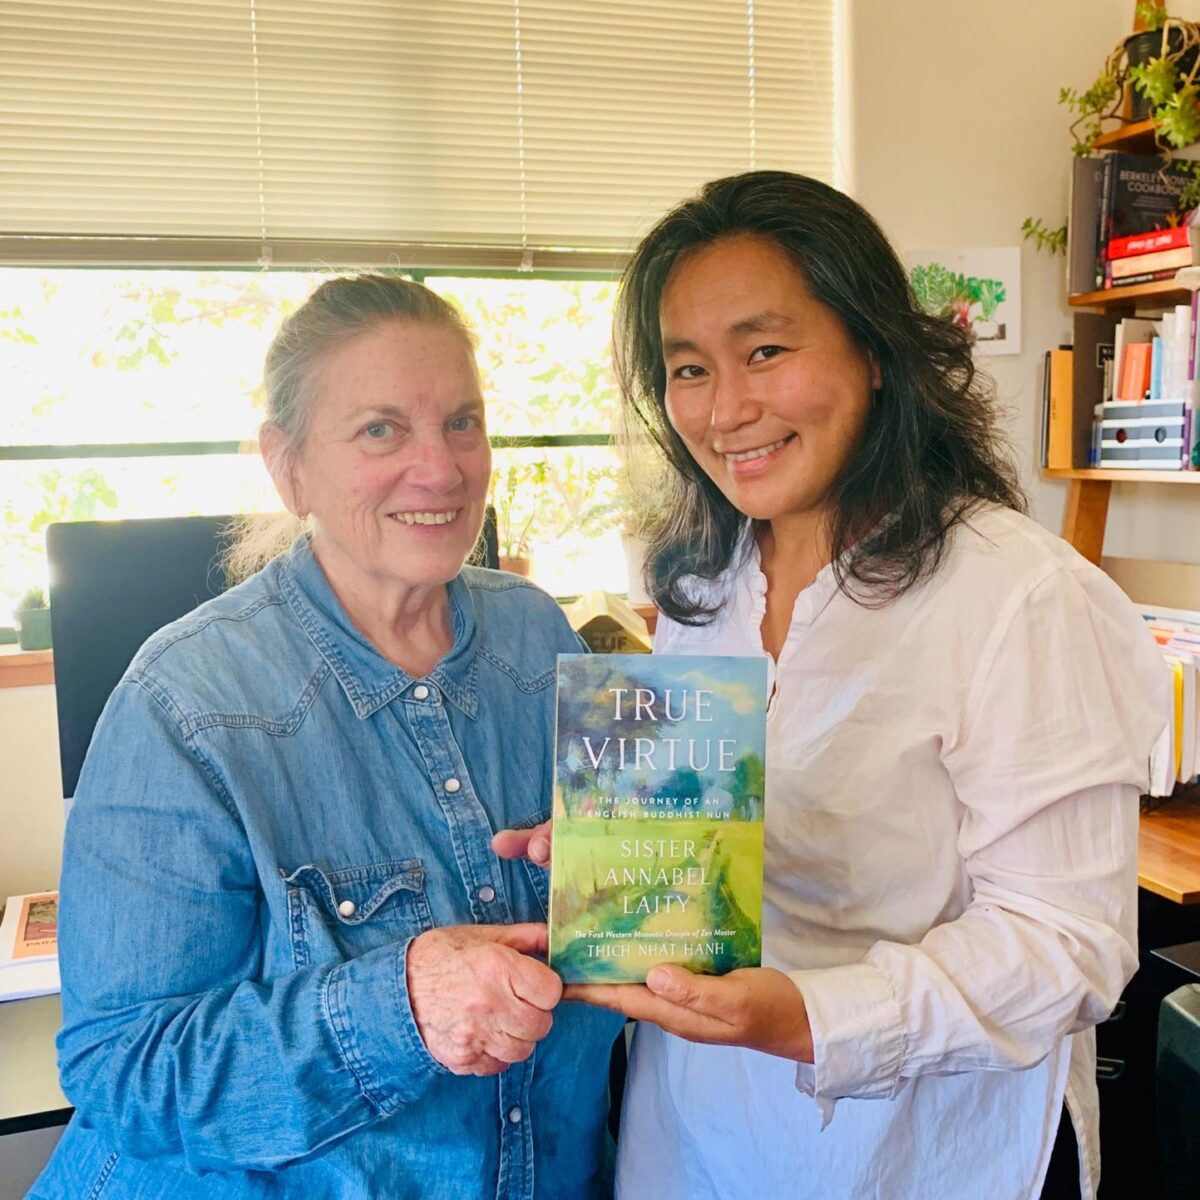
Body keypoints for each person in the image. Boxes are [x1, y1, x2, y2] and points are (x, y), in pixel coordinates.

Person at [497, 172, 1168, 1200]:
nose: (725, 410)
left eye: (766, 350)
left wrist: (812, 1016)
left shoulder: (1019, 597)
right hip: (699, 1128)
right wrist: (621, 848)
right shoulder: (701, 585)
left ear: (876, 351)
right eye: (687, 368)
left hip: (915, 1152)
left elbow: (1067, 946)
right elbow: (716, 834)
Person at [31, 274, 623, 1199]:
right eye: (381, 429)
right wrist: (402, 1010)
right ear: (289, 465)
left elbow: (630, 930)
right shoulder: (187, 702)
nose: (441, 468)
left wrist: (640, 877)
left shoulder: (537, 638)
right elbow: (126, 1071)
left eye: (462, 422)